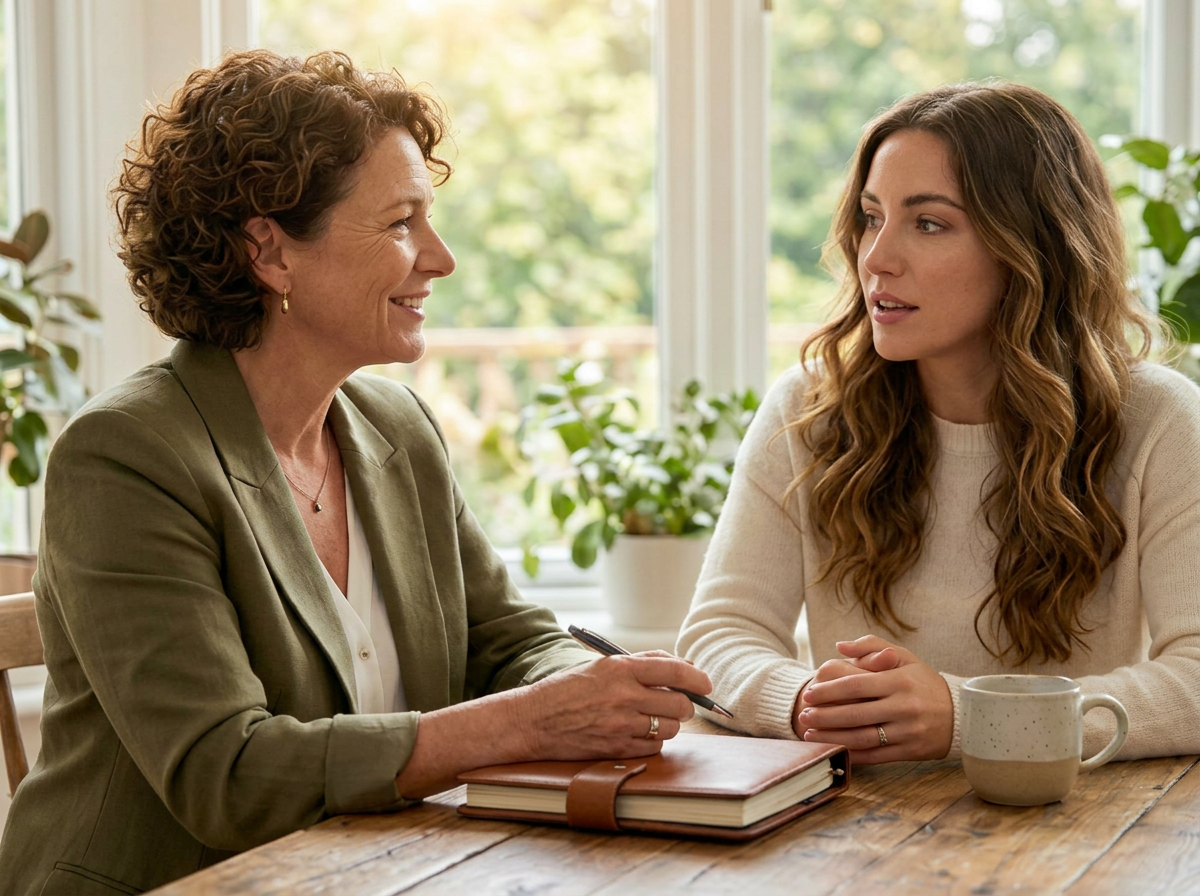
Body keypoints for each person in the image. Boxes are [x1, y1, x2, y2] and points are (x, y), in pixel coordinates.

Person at [0, 50, 711, 896]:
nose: (440, 258)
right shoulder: (126, 456)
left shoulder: (397, 429)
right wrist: (521, 724)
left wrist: (591, 694)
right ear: (270, 251)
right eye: (401, 222)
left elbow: (506, 642)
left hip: (377, 874)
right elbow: (226, 775)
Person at [677, 82, 1200, 768]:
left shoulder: (1156, 419)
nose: (876, 258)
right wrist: (804, 701)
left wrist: (968, 716)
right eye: (871, 217)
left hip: (1070, 833)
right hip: (848, 834)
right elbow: (721, 633)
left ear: (1030, 249)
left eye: (928, 223)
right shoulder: (807, 409)